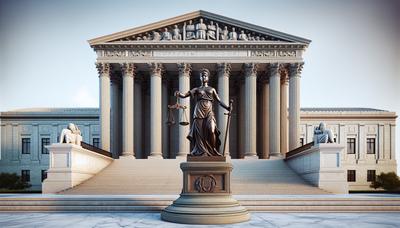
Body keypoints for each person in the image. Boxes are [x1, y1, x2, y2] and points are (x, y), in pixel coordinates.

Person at [175, 69, 231, 156]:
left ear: (208, 77)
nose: (203, 77)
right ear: (200, 78)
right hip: (198, 112)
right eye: (202, 75)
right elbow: (185, 95)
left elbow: (219, 101)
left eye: (205, 75)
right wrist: (179, 94)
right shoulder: (196, 89)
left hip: (209, 112)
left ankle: (213, 149)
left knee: (211, 130)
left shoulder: (212, 89)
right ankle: (201, 151)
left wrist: (227, 107)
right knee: (199, 133)